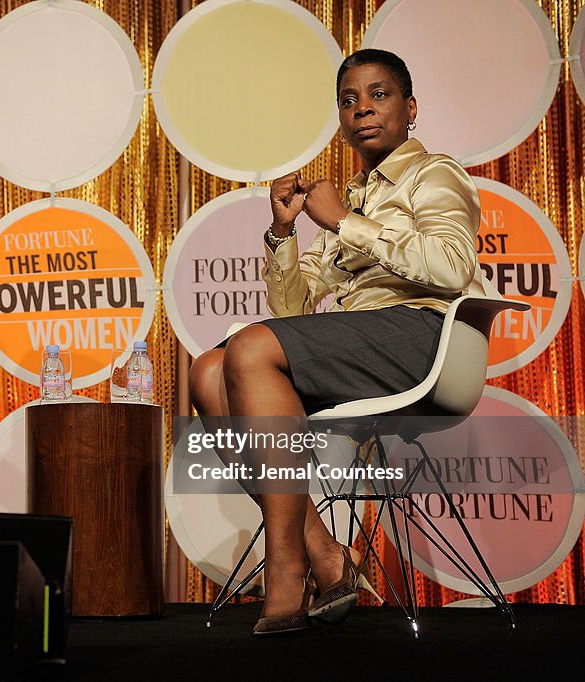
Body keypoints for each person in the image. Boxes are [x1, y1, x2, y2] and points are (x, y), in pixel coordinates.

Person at [188, 49, 491, 635]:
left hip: (425, 336)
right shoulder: (348, 193)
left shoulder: (436, 174)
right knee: (207, 371)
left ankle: (286, 566)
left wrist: (342, 223)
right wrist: (284, 233)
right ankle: (328, 555)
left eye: (379, 95)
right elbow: (293, 311)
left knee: (248, 350)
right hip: (364, 344)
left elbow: (453, 269)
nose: (363, 110)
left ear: (410, 108)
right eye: (349, 101)